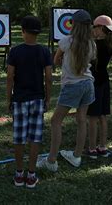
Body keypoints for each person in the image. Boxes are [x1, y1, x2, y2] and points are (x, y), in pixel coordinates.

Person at [37, 10, 96, 171]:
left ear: (74, 24)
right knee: (82, 119)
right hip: (88, 84)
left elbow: (55, 60)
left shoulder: (67, 41)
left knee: (56, 121)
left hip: (72, 85)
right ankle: (76, 156)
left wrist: (63, 61)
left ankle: (51, 160)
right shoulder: (91, 43)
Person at [6, 16, 52, 188]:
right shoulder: (44, 51)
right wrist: (48, 98)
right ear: (38, 33)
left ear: (23, 31)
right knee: (35, 137)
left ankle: (19, 174)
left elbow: (10, 77)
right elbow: (48, 77)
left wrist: (8, 99)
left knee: (19, 138)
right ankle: (31, 174)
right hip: (38, 99)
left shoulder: (15, 51)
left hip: (19, 100)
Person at [84, 15, 112, 159]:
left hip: (95, 81)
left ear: (101, 28)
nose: (92, 29)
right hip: (104, 80)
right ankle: (102, 147)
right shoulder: (109, 44)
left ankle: (92, 149)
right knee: (102, 116)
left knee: (92, 117)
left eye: (94, 27)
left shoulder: (95, 45)